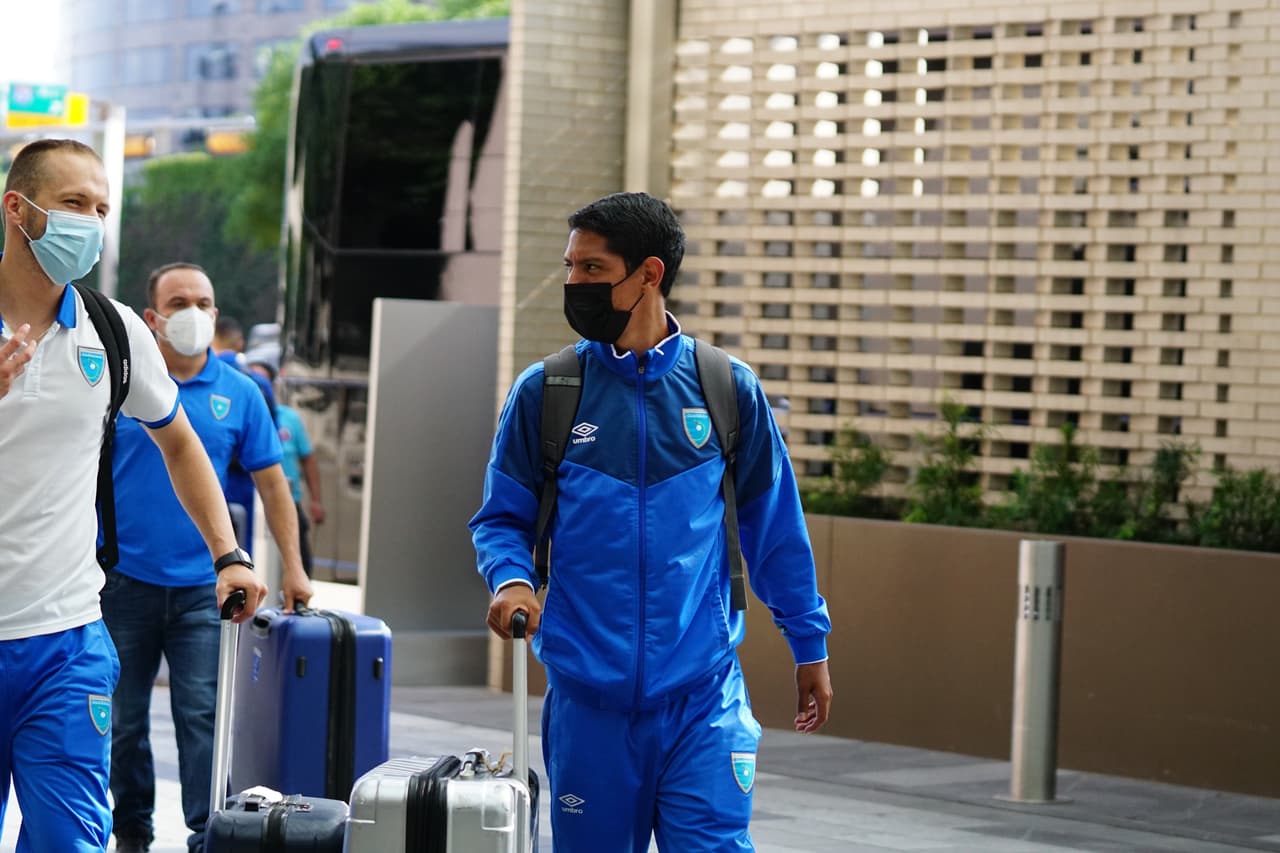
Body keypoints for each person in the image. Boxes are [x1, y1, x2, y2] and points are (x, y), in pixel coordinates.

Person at [470, 192, 833, 852]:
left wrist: (809, 643)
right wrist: (512, 580)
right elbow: (501, 518)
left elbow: (774, 528)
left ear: (649, 274)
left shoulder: (726, 388)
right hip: (588, 701)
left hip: (704, 697)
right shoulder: (547, 393)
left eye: (593, 269)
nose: (574, 283)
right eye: (571, 267)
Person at [0, 139, 267, 853]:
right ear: (17, 209)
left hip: (67, 642)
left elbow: (180, 442)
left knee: (71, 843)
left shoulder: (115, 331)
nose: (90, 222)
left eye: (101, 208)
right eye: (73, 204)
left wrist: (229, 555)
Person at [101, 263, 314, 853]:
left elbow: (274, 486)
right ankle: (132, 831)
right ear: (152, 317)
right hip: (121, 584)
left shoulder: (241, 393)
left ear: (216, 314)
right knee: (121, 720)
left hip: (207, 589)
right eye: (178, 303)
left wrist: (294, 568)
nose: (192, 313)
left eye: (203, 302)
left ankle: (206, 836)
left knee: (202, 718)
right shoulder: (122, 383)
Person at [248, 357, 326, 577]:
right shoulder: (238, 415)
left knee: (299, 564)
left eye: (262, 383)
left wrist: (316, 501)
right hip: (252, 503)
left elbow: (308, 459)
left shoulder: (289, 418)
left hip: (287, 501)